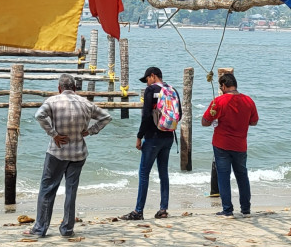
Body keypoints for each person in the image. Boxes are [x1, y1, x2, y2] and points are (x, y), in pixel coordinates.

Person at [25, 73, 112, 237]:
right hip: (78, 152)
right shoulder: (85, 103)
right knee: (71, 191)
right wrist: (91, 131)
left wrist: (53, 133)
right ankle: (67, 228)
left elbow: (39, 116)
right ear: (74, 88)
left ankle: (40, 228)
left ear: (59, 88)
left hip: (57, 152)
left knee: (47, 189)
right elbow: (106, 117)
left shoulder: (53, 101)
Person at [121, 66, 180, 221]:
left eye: (147, 79)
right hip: (168, 137)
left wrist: (139, 136)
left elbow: (146, 116)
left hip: (153, 137)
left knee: (143, 173)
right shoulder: (172, 90)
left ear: (153, 76)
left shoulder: (150, 91)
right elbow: (179, 114)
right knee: (163, 173)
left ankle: (138, 211)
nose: (146, 83)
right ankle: (163, 209)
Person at [201, 73, 259, 217]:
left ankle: (228, 210)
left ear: (224, 86)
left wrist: (215, 118)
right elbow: (254, 121)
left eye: (221, 87)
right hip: (240, 144)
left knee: (223, 176)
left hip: (222, 144)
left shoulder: (219, 101)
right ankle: (246, 209)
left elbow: (205, 122)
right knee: (242, 176)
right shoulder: (248, 100)